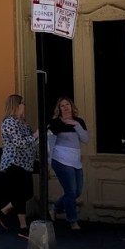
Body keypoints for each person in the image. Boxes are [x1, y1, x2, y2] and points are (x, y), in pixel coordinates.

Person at [0, 94, 38, 239]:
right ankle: (23, 227)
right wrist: (36, 136)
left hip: (25, 163)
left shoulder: (23, 123)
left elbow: (31, 141)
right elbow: (20, 142)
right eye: (22, 103)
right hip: (13, 162)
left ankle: (3, 211)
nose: (24, 106)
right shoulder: (9, 122)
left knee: (26, 194)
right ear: (16, 105)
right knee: (21, 195)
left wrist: (39, 138)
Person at [48, 96, 89, 230]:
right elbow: (50, 143)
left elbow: (85, 139)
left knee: (77, 192)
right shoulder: (55, 123)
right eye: (62, 106)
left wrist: (75, 125)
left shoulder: (79, 121)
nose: (65, 108)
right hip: (61, 160)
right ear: (59, 109)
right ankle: (72, 221)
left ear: (72, 107)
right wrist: (48, 163)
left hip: (76, 161)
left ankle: (55, 208)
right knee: (70, 192)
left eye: (67, 105)